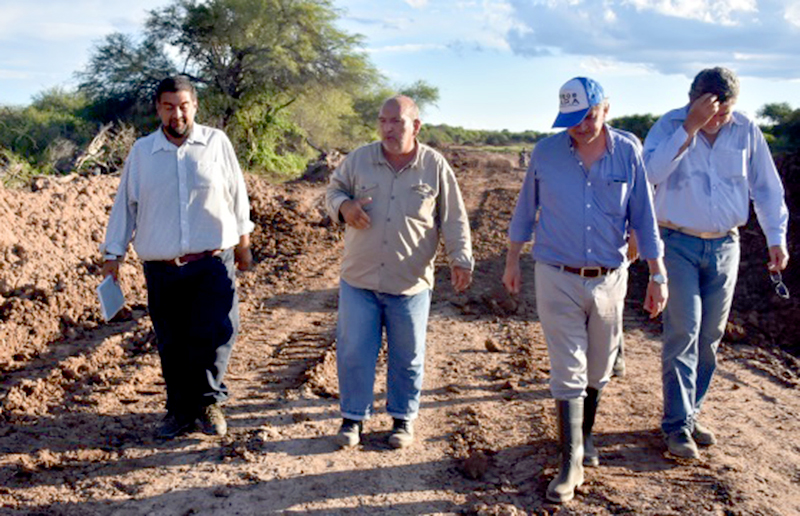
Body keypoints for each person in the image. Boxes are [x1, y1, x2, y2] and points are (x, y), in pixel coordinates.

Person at [503, 77, 668, 503]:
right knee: (568, 370)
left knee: (598, 370)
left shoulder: (627, 152)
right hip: (556, 273)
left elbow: (644, 218)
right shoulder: (546, 152)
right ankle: (570, 461)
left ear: (605, 109)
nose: (580, 126)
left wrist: (657, 273)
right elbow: (525, 208)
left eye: (589, 116)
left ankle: (585, 436)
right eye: (572, 120)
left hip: (610, 278)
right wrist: (511, 260)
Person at [643, 67, 789, 460]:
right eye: (710, 111)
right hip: (675, 242)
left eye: (724, 112)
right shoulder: (670, 125)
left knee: (709, 338)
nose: (718, 119)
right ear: (693, 99)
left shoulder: (746, 130)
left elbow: (767, 188)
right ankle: (676, 428)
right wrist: (688, 129)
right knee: (683, 332)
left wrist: (776, 238)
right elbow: (649, 175)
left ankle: (689, 414)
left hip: (726, 244)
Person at [100, 76, 254, 439]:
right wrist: (113, 255)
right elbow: (126, 205)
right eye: (168, 107)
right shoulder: (142, 152)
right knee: (172, 340)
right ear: (158, 109)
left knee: (216, 333)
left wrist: (244, 242)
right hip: (163, 267)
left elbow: (237, 194)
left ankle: (208, 403)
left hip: (213, 261)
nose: (177, 114)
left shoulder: (216, 143)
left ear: (195, 106)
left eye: (183, 105)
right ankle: (178, 410)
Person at [325, 95, 474, 449]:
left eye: (397, 122)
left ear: (415, 126)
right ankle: (352, 419)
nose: (388, 129)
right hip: (359, 278)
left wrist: (460, 258)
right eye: (383, 121)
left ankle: (402, 420)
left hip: (409, 282)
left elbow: (453, 217)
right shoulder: (360, 159)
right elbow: (333, 191)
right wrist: (344, 206)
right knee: (354, 351)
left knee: (408, 354)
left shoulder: (434, 167)